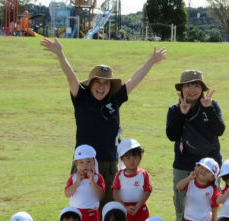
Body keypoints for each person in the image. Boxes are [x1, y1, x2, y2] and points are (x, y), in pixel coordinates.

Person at [40, 38, 166, 204]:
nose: (101, 86)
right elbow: (71, 78)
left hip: (109, 161)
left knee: (108, 205)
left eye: (105, 83)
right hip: (85, 161)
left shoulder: (115, 99)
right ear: (91, 84)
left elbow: (133, 80)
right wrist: (60, 54)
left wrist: (151, 61)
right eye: (97, 82)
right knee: (83, 205)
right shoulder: (82, 98)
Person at [166, 70, 225, 221]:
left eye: (196, 85)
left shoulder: (211, 105)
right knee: (184, 208)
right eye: (188, 85)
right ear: (181, 89)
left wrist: (208, 109)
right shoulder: (175, 110)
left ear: (202, 88)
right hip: (184, 165)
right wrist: (182, 114)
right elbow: (172, 135)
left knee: (208, 208)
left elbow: (220, 130)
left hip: (210, 166)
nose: (192, 89)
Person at [112, 139, 152, 221]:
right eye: (128, 158)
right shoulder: (119, 175)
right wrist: (124, 207)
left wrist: (137, 206)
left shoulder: (143, 174)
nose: (132, 161)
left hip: (140, 210)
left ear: (140, 157)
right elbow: (115, 193)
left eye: (135, 157)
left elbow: (147, 191)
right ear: (122, 159)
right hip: (125, 210)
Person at [65, 144, 105, 221]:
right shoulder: (73, 178)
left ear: (94, 162)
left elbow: (100, 196)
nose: (85, 166)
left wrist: (92, 181)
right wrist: (77, 182)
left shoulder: (97, 178)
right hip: (75, 214)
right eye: (81, 162)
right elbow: (67, 194)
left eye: (88, 161)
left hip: (91, 213)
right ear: (76, 164)